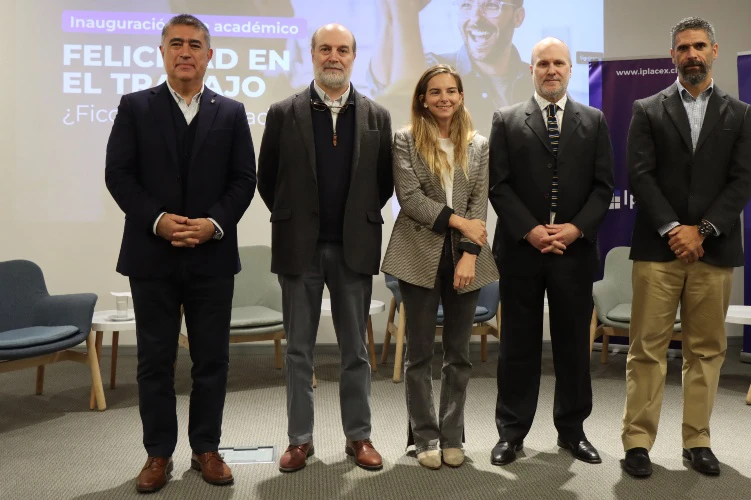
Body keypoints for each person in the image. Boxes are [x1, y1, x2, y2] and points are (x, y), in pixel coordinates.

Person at [104, 14, 256, 493]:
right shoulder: (134, 107)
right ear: (163, 52)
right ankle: (158, 454)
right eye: (176, 43)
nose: (185, 51)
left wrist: (212, 223)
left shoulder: (231, 112)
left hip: (211, 255)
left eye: (194, 44)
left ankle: (206, 449)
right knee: (154, 360)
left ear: (210, 55)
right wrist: (159, 220)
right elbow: (119, 175)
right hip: (152, 255)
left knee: (212, 359)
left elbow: (244, 180)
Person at [621, 17, 751, 478]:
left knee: (706, 350)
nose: (692, 54)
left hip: (712, 252)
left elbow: (741, 183)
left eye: (699, 46)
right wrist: (674, 228)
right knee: (646, 349)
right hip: (658, 250)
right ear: (672, 56)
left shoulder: (739, 114)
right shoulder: (647, 108)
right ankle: (638, 442)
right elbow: (640, 174)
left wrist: (703, 230)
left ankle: (697, 441)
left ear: (714, 51)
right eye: (683, 48)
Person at [257, 23, 394, 473]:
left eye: (342, 50)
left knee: (355, 350)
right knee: (299, 350)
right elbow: (268, 178)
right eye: (325, 49)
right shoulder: (283, 112)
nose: (333, 57)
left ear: (354, 56)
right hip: (300, 250)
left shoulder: (376, 115)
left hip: (353, 248)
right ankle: (300, 441)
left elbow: (382, 184)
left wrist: (353, 218)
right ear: (312, 55)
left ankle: (360, 437)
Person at [488, 37, 614, 466]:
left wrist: (575, 229)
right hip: (522, 251)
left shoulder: (594, 121)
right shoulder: (506, 120)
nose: (551, 70)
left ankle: (572, 431)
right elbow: (498, 186)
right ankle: (511, 433)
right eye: (543, 63)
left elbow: (604, 187)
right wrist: (531, 231)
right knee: (518, 347)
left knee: (573, 347)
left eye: (559, 62)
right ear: (531, 69)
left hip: (574, 253)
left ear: (570, 69)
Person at [381, 64, 499, 470]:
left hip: (466, 257)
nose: (444, 98)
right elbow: (410, 198)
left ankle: (452, 435)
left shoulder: (478, 144)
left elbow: (479, 203)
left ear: (461, 96)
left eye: (451, 91)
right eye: (435, 92)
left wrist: (469, 251)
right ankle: (424, 436)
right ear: (422, 98)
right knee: (417, 355)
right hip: (417, 255)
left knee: (458, 355)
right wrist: (460, 221)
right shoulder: (405, 140)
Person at [368, 0, 532, 136]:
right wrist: (396, 14)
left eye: (491, 6)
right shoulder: (434, 70)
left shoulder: (535, 82)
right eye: (466, 5)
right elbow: (388, 87)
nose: (475, 18)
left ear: (517, 17)